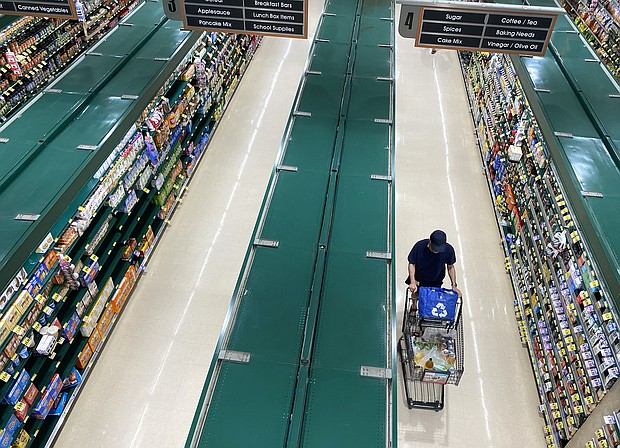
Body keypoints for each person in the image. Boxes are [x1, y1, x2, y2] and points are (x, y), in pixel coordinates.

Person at [406, 229, 462, 298]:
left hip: (436, 279)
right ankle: (414, 305)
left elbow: (450, 267)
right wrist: (413, 282)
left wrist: (454, 285)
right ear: (430, 241)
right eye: (435, 248)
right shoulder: (419, 246)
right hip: (419, 277)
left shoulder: (448, 250)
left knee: (432, 298)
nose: (437, 251)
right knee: (416, 294)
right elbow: (412, 263)